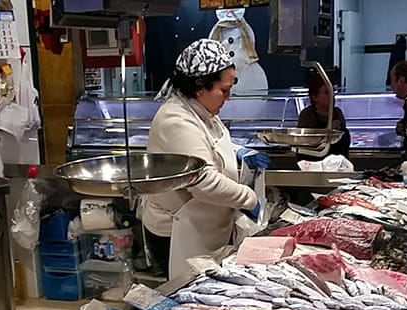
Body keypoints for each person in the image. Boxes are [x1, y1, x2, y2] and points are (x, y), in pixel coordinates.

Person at [142, 39, 267, 280]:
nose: (228, 98)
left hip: (205, 226)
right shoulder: (176, 120)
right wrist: (249, 199)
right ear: (200, 86)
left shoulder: (200, 109)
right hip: (179, 231)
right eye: (224, 90)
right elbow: (203, 182)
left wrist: (239, 151)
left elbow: (209, 141)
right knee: (187, 298)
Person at [296, 73, 351, 161]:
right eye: (326, 92)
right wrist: (327, 131)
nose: (331, 95)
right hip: (313, 163)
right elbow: (306, 144)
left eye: (332, 91)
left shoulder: (337, 113)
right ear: (314, 97)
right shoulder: (307, 115)